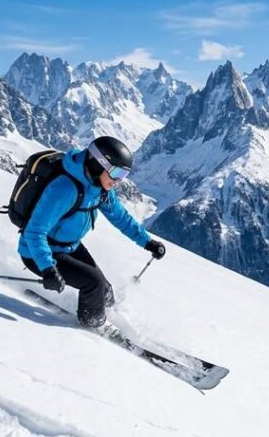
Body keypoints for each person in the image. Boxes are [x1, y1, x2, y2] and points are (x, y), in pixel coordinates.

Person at [19, 136, 166, 327]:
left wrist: (148, 242)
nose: (118, 181)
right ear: (98, 164)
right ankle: (93, 323)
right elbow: (34, 232)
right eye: (116, 173)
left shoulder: (100, 188)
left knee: (105, 290)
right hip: (37, 252)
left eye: (123, 175)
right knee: (94, 284)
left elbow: (121, 218)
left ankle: (106, 315)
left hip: (69, 247)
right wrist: (47, 268)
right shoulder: (65, 188)